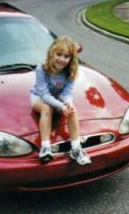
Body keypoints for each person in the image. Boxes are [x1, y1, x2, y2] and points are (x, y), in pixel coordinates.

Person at [30, 36, 91, 165]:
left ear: (70, 59)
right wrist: (60, 106)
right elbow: (44, 95)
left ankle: (76, 147)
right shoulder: (41, 69)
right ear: (52, 52)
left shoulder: (70, 72)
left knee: (72, 108)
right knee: (47, 107)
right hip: (39, 98)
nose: (61, 59)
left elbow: (66, 93)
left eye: (66, 56)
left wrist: (68, 104)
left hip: (58, 98)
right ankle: (45, 148)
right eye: (59, 54)